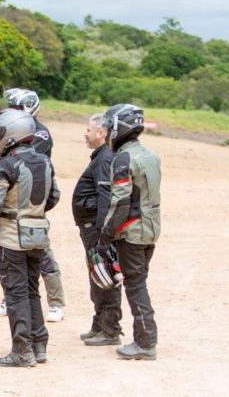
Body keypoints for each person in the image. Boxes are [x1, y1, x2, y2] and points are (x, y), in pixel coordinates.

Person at [0, 109, 60, 367]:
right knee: (33, 290)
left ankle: (22, 351)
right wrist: (33, 213)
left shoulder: (6, 166)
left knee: (16, 293)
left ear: (12, 134)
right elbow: (53, 197)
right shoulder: (45, 162)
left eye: (0, 132)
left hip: (11, 238)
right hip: (38, 235)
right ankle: (38, 345)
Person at [0, 88, 65, 323]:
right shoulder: (10, 129)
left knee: (42, 253)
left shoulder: (38, 134)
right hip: (7, 198)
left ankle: (56, 303)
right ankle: (8, 297)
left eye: (16, 107)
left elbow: (26, 167)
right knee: (6, 253)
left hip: (29, 202)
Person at [98, 103, 161, 360]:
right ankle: (144, 339)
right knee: (139, 283)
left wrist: (106, 234)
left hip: (132, 233)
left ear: (118, 128)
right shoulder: (151, 156)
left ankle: (145, 342)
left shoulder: (124, 158)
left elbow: (120, 202)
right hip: (150, 231)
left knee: (135, 286)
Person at [72, 113, 122, 346]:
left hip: (96, 229)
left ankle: (109, 329)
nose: (86, 133)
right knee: (97, 276)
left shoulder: (103, 159)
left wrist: (103, 234)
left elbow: (105, 196)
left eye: (89, 130)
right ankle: (100, 324)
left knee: (103, 275)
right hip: (92, 227)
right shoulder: (102, 156)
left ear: (101, 133)